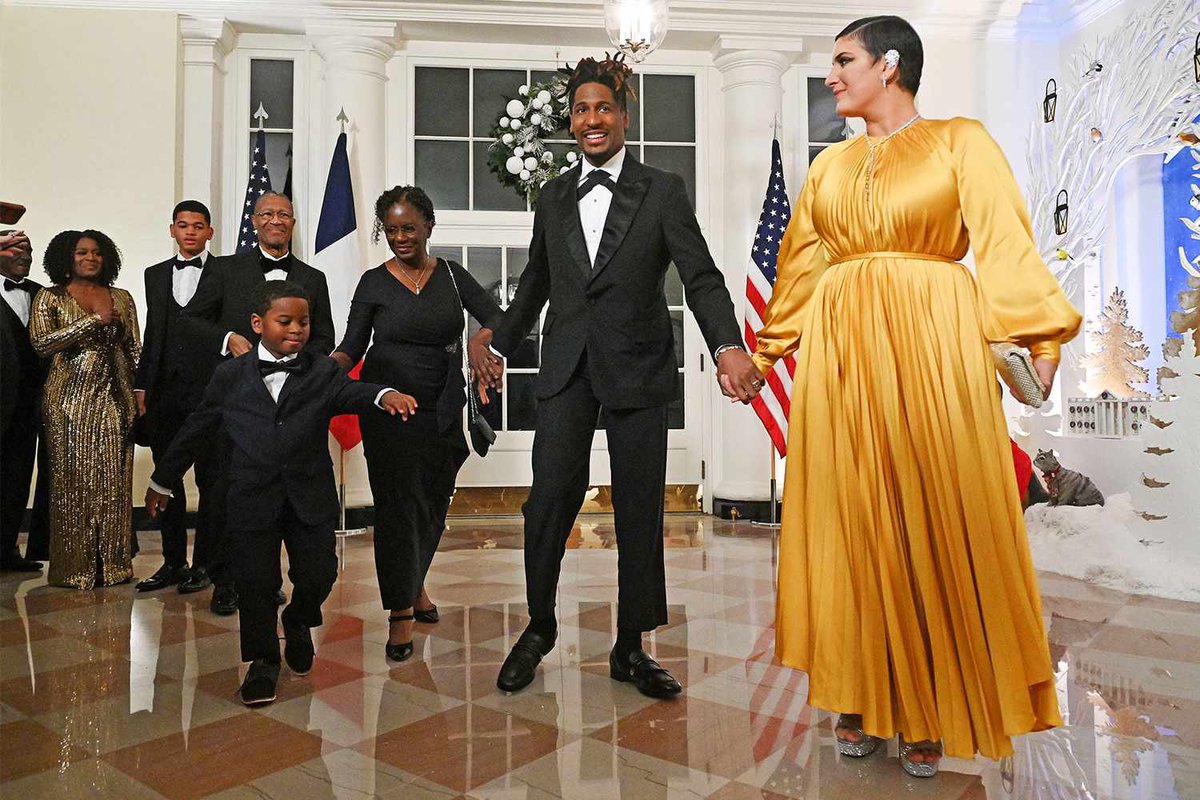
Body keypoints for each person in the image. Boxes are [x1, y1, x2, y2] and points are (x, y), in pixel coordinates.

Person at [744, 16, 1081, 775]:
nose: (831, 76)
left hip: (935, 343)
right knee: (855, 518)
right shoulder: (828, 169)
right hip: (841, 357)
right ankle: (860, 695)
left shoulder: (961, 141)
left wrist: (1042, 340)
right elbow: (799, 267)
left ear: (889, 65)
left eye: (844, 61)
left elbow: (1003, 242)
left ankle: (926, 708)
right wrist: (766, 357)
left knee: (930, 511)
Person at [468, 55, 759, 698]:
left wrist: (729, 346)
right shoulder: (552, 196)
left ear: (623, 117)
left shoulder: (662, 190)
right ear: (569, 123)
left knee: (637, 513)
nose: (591, 119)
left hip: (639, 369)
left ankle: (630, 647)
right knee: (547, 503)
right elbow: (537, 284)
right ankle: (540, 626)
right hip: (568, 368)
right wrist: (499, 339)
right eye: (580, 110)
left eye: (603, 108)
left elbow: (702, 274)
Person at [145, 280, 416, 706]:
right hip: (252, 495)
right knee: (255, 582)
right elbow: (198, 428)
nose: (297, 329)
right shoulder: (229, 376)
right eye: (285, 320)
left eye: (304, 322)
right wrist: (163, 479)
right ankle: (263, 662)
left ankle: (298, 618)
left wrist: (383, 395)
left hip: (309, 496)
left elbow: (352, 391)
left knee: (319, 573)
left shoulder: (322, 370)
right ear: (258, 324)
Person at [332, 186, 502, 662]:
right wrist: (325, 370)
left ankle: (416, 581)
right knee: (397, 509)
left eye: (409, 227)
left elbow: (495, 318)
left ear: (429, 225)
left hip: (443, 407)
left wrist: (478, 342)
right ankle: (399, 613)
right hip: (389, 410)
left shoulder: (451, 274)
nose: (400, 237)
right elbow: (352, 345)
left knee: (432, 505)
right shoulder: (372, 282)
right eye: (391, 230)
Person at [181, 190, 336, 614]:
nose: (275, 220)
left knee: (287, 498)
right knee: (224, 491)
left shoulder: (313, 278)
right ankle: (226, 580)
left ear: (292, 222)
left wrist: (298, 361)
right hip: (239, 403)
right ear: (254, 220)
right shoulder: (226, 270)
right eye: (266, 213)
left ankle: (273, 583)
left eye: (283, 214)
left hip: (294, 407)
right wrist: (227, 338)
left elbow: (326, 338)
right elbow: (191, 318)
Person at [31, 230, 142, 589]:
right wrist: (92, 321)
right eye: (82, 252)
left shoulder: (122, 297)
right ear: (68, 257)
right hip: (67, 401)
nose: (90, 258)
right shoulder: (50, 297)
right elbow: (41, 343)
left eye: (96, 252)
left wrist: (140, 393)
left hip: (115, 397)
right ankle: (73, 568)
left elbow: (135, 350)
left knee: (113, 483)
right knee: (72, 483)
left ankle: (113, 566)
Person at [133, 200, 227, 594]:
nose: (190, 232)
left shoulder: (227, 273)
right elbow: (154, 333)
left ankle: (205, 565)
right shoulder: (154, 275)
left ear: (210, 232)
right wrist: (141, 385)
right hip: (165, 393)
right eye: (183, 225)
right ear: (172, 229)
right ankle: (173, 562)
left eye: (198, 226)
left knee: (212, 480)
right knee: (166, 476)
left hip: (211, 392)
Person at [1, 228, 49, 571]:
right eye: (15, 250)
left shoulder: (41, 295)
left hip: (27, 408)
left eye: (29, 251)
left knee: (18, 479)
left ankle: (7, 550)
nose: (24, 256)